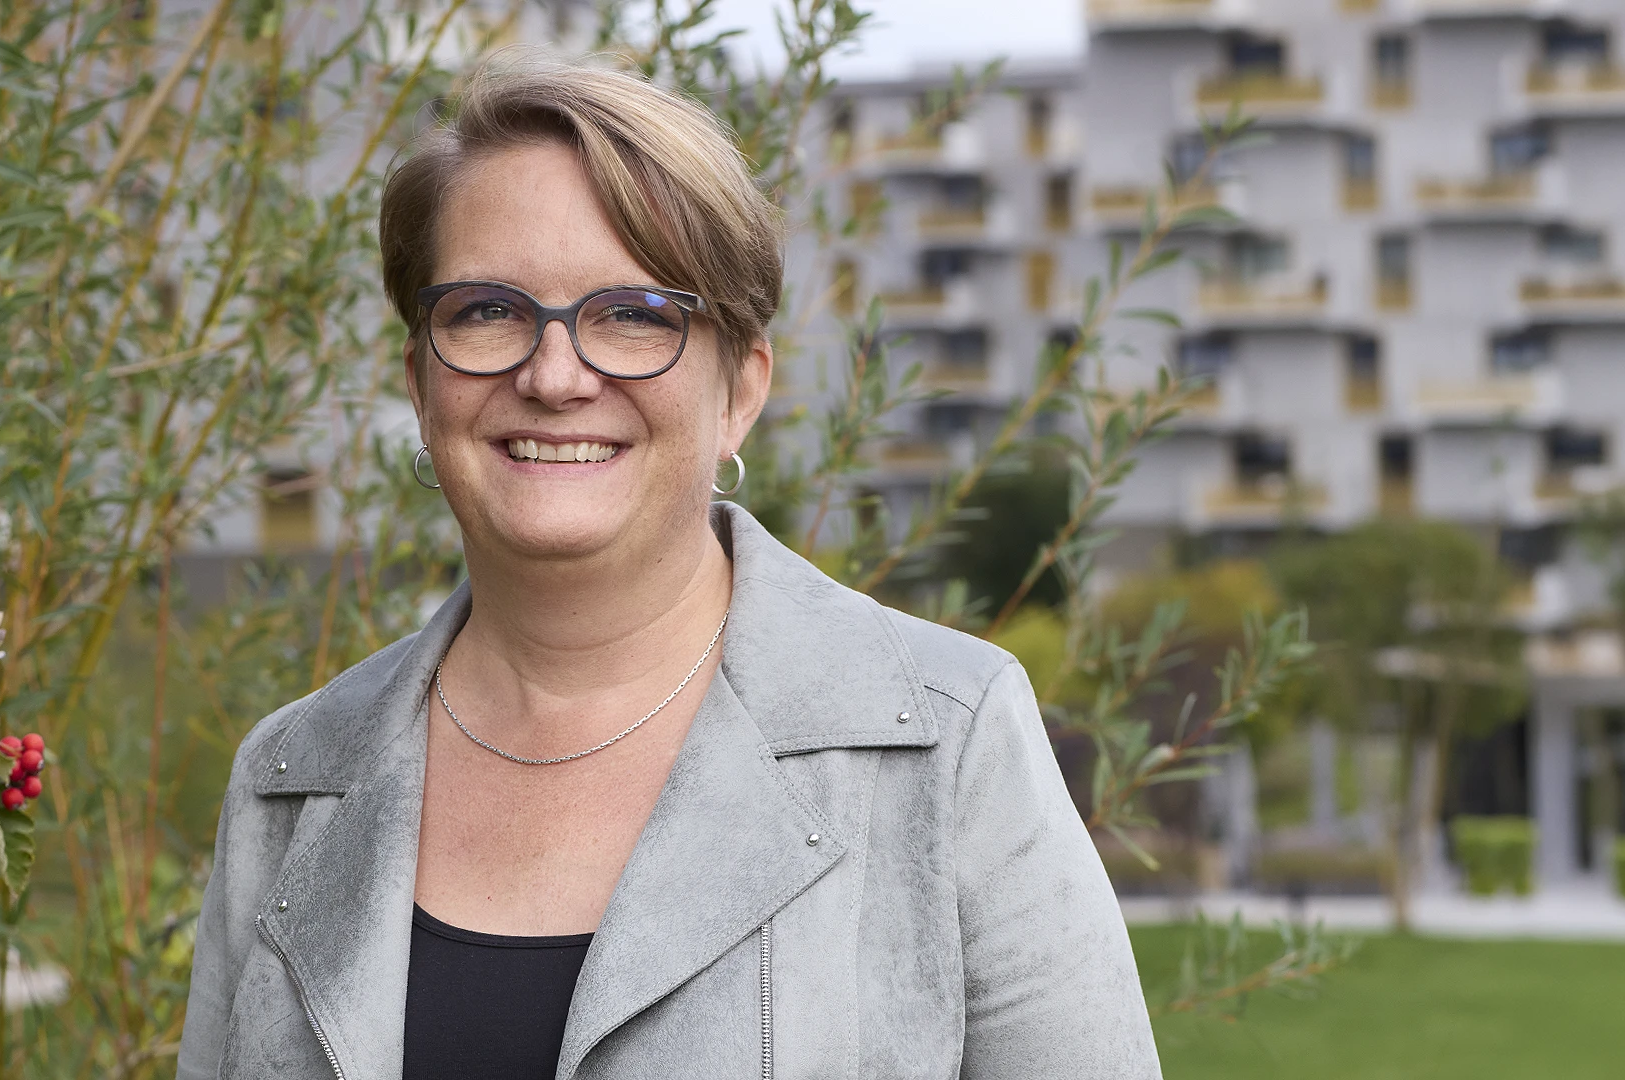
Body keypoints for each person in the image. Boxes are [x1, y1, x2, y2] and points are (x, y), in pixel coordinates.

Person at [178, 56, 1160, 1080]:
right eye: (488, 310)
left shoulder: (947, 746)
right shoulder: (291, 780)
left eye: (634, 313)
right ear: (421, 385)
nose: (554, 375)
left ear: (740, 390)